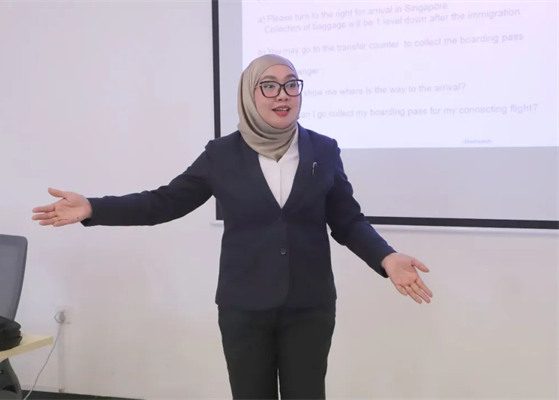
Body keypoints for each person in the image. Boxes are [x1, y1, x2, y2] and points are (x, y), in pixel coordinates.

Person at [32, 54, 433, 400]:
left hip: (309, 306)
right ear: (249, 95)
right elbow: (164, 202)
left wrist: (386, 257)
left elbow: (347, 220)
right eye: (269, 86)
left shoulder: (323, 149)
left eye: (291, 85)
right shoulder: (222, 154)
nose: (282, 95)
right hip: (244, 307)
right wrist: (94, 208)